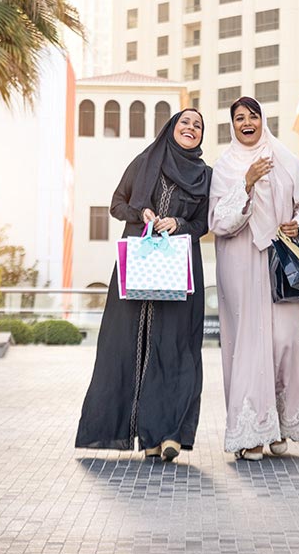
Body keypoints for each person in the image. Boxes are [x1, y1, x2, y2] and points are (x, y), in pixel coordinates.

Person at [76, 109, 211, 462]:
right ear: (171, 128)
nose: (191, 128)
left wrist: (179, 222)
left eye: (198, 125)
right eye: (185, 122)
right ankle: (132, 432)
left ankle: (167, 435)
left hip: (179, 268)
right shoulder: (145, 161)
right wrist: (143, 214)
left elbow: (203, 224)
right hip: (138, 263)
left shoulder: (204, 175)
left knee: (175, 348)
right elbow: (117, 204)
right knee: (128, 345)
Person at [209, 96, 299, 461]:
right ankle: (250, 433)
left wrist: (297, 224)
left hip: (280, 261)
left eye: (252, 116)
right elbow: (219, 222)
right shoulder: (225, 166)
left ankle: (281, 424)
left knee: (284, 340)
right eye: (239, 118)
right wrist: (247, 181)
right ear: (232, 125)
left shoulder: (285, 159)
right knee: (248, 343)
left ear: (262, 119)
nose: (246, 123)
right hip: (240, 262)